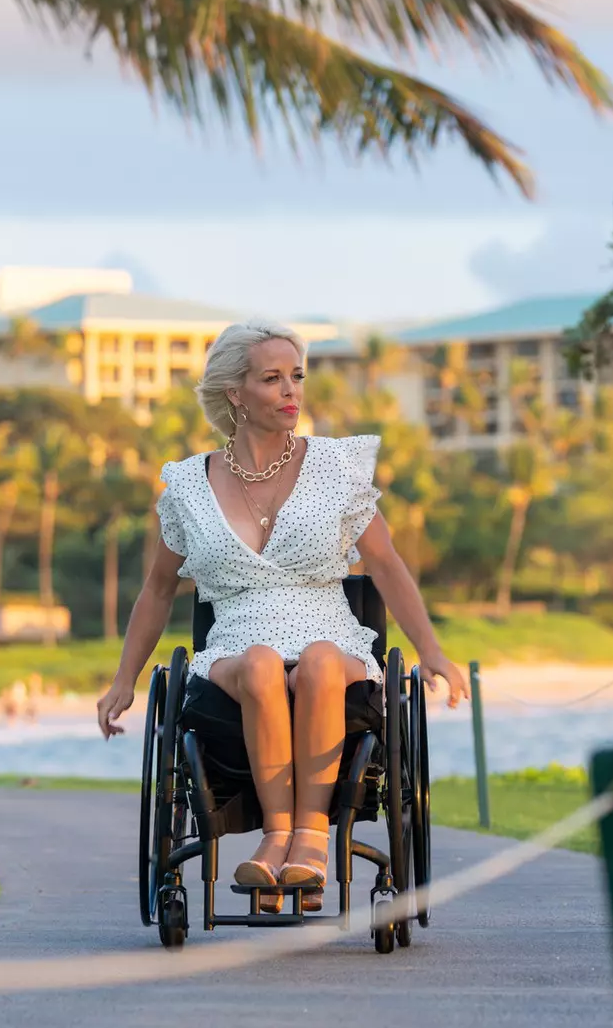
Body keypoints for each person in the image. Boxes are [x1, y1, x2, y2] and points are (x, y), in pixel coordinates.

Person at [98, 318, 467, 902]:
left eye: (296, 376)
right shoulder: (190, 486)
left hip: (330, 631)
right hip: (235, 643)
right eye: (272, 379)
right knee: (263, 663)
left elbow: (387, 564)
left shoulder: (334, 468)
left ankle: (311, 842)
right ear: (234, 393)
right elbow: (159, 589)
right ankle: (275, 840)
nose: (291, 390)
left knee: (319, 662)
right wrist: (124, 680)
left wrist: (434, 653)